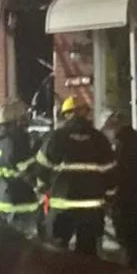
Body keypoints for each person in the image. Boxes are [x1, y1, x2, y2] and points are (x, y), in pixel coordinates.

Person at [36, 96, 116, 255]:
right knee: (87, 255)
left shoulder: (55, 138)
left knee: (57, 254)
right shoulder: (99, 139)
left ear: (67, 114)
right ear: (85, 114)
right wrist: (108, 197)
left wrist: (43, 190)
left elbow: (41, 169)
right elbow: (111, 172)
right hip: (91, 211)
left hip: (61, 207)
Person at [0, 100, 38, 235]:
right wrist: (40, 188)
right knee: (24, 247)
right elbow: (27, 170)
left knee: (4, 243)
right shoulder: (17, 140)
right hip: (22, 204)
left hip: (1, 202)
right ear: (14, 121)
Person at [102, 110, 137, 268]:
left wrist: (110, 192)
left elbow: (117, 168)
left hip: (123, 193)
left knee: (124, 228)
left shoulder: (119, 142)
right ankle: (136, 260)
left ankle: (130, 265)